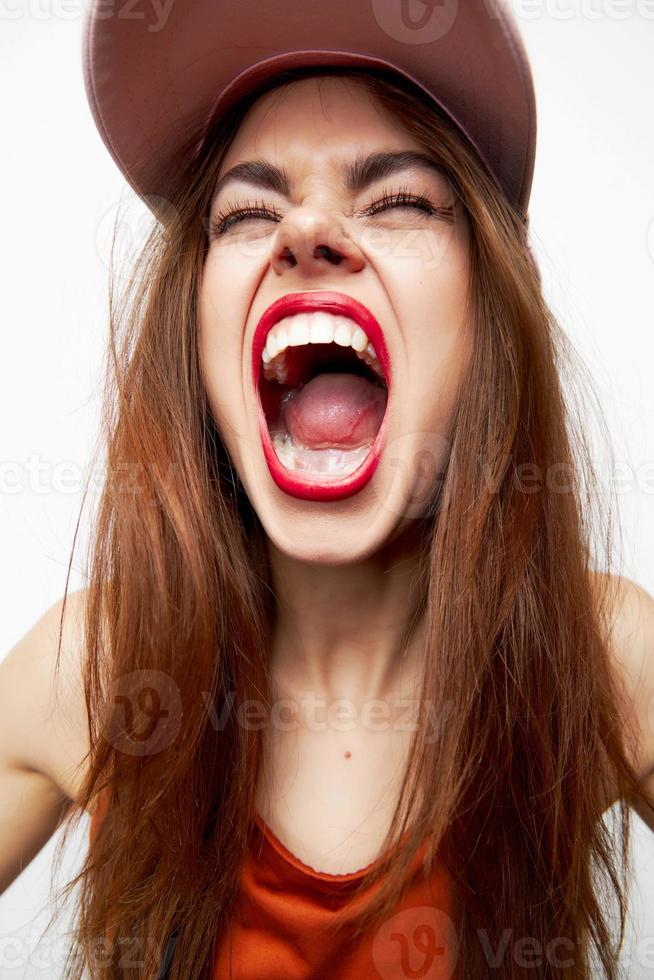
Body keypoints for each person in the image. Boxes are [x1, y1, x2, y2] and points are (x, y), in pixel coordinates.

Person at [1, 2, 654, 978]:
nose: (305, 228)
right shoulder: (93, 675)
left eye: (396, 200)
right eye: (248, 211)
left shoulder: (605, 661)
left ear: (492, 313)